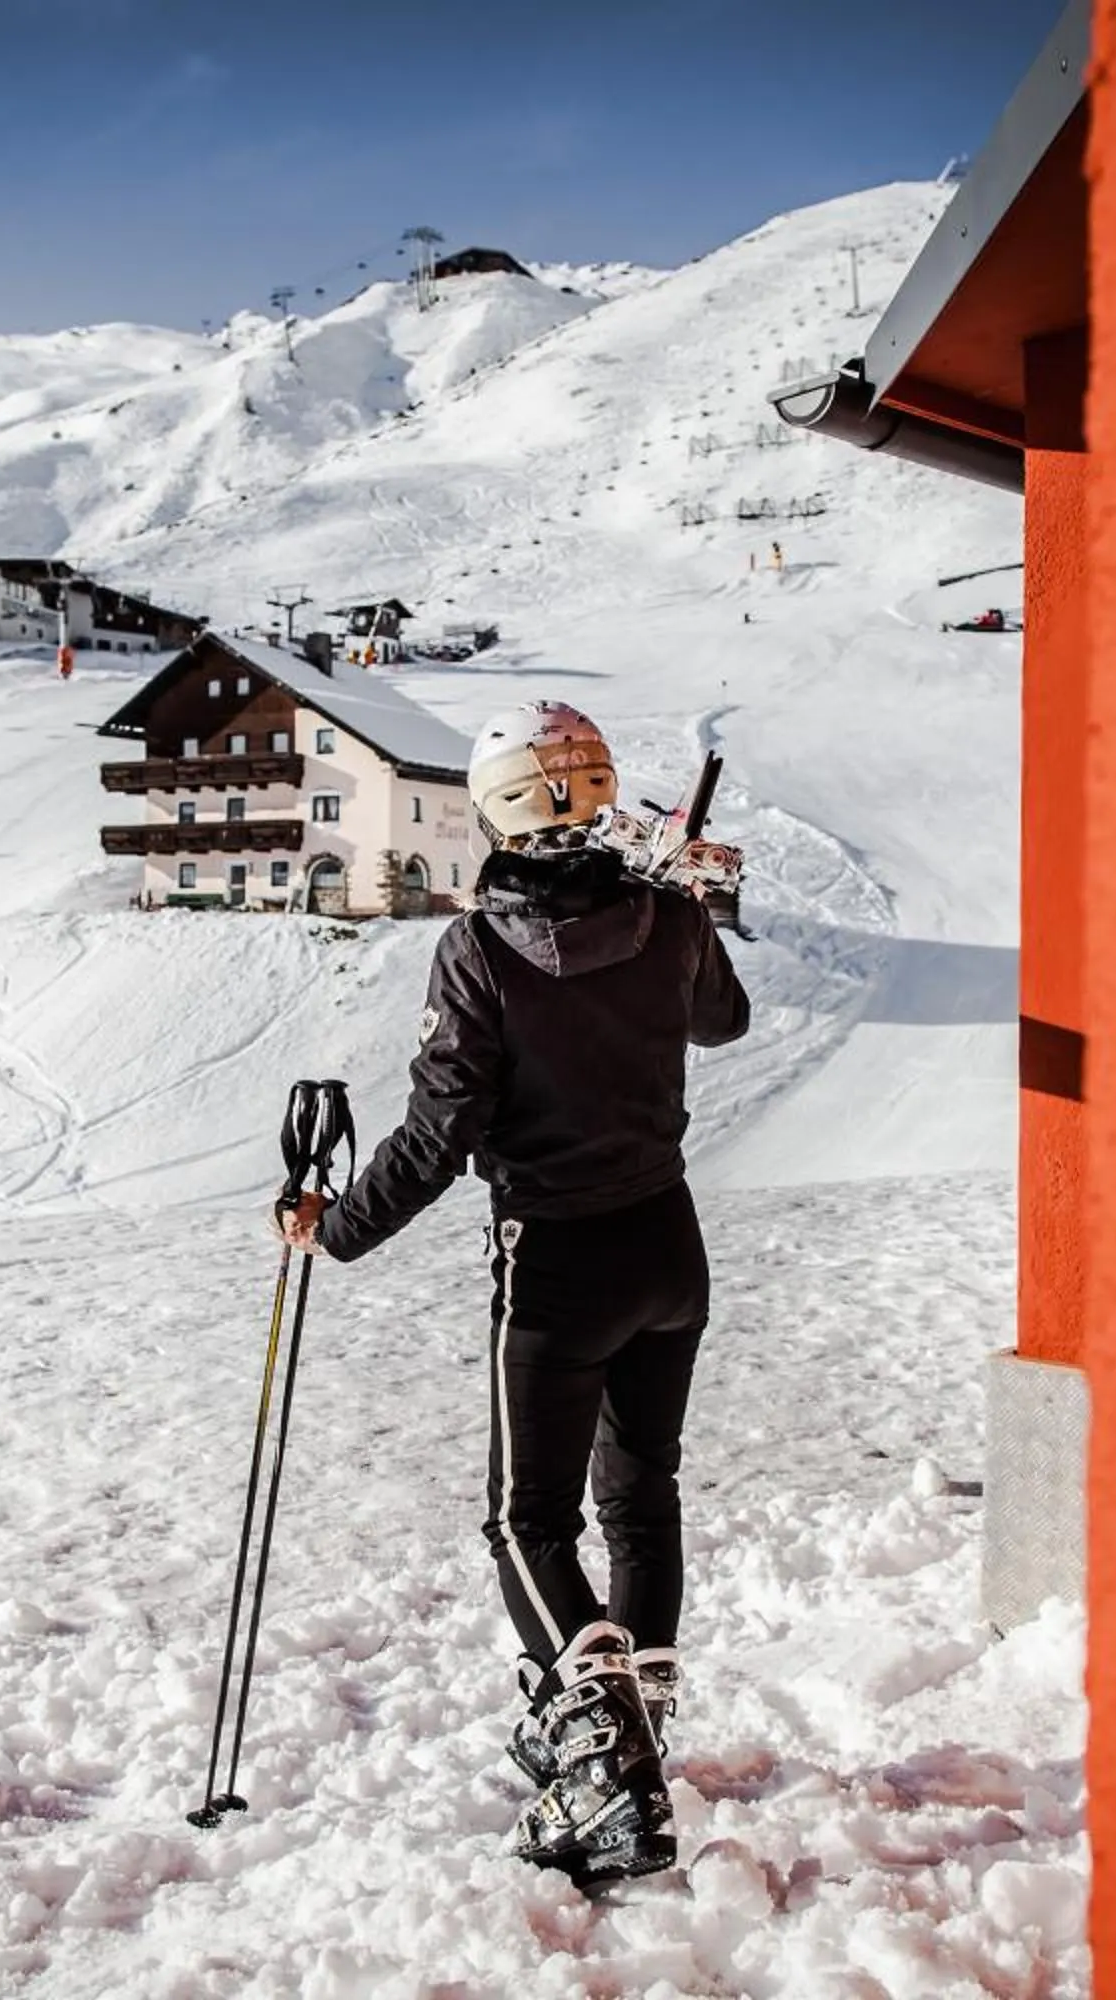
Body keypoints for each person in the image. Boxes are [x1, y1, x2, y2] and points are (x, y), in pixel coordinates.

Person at [278, 700, 751, 1885]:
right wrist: (689, 910)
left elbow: (441, 1135)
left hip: (554, 1266)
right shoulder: (669, 914)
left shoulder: (482, 952)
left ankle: (604, 1772)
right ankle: (635, 1740)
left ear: (496, 810)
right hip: (668, 1247)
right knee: (643, 1496)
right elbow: (723, 1020)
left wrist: (333, 1230)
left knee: (526, 1520)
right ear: (596, 787)